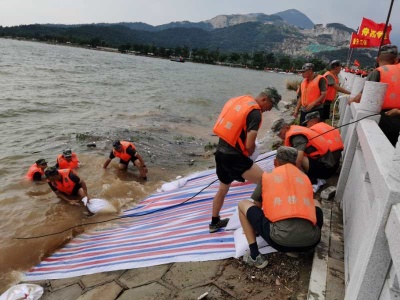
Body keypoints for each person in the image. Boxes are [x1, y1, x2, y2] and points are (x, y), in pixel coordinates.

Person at [210, 87, 282, 233]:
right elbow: (249, 145)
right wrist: (250, 154)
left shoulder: (242, 101)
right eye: (270, 105)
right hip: (235, 158)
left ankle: (214, 222)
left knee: (223, 189)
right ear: (264, 99)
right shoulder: (255, 113)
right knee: (266, 182)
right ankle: (261, 222)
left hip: (220, 153)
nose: (269, 110)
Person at [238, 146, 323, 268]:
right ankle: (298, 249)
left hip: (279, 241)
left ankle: (254, 254)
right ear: (295, 163)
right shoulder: (305, 178)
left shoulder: (267, 176)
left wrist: (256, 228)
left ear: (275, 161)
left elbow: (256, 205)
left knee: (243, 205)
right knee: (315, 202)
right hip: (311, 241)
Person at [349, 44, 400, 147]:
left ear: (377, 59)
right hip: (397, 115)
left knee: (380, 147)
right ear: (396, 59)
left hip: (384, 118)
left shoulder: (377, 72)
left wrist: (350, 101)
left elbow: (361, 98)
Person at [271, 118, 337, 184]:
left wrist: (290, 175)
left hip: (327, 168)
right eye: (278, 135)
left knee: (294, 158)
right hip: (327, 162)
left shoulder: (297, 137)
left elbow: (298, 160)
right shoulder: (294, 129)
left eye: (280, 133)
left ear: (286, 127)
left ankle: (306, 182)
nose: (280, 136)